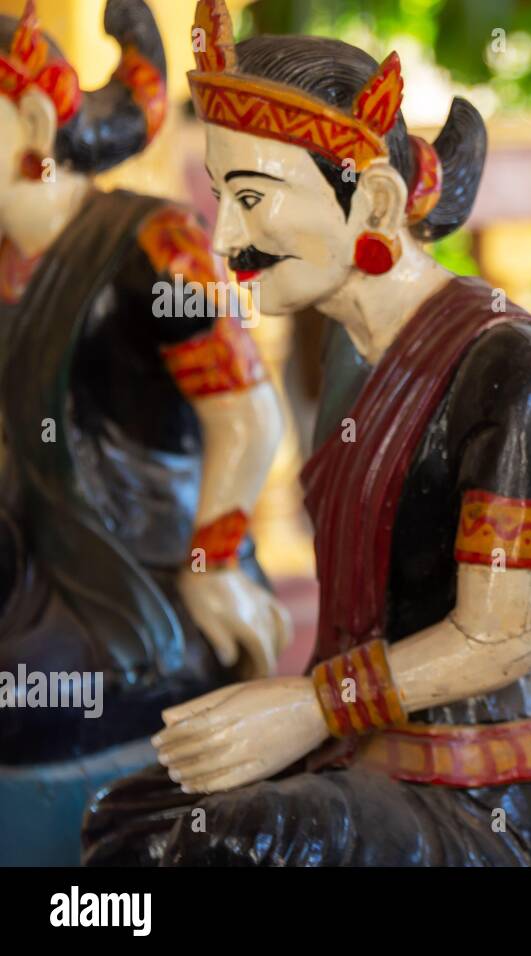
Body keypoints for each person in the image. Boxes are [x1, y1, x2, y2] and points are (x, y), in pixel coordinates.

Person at [82, 0, 531, 867]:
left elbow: (505, 636)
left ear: (376, 199)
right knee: (126, 820)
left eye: (249, 199)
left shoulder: (511, 366)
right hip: (381, 747)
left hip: (517, 791)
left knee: (215, 851)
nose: (225, 238)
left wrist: (308, 709)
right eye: (220, 197)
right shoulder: (351, 357)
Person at [0, 0, 285, 864]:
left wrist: (218, 562)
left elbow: (247, 412)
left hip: (138, 585)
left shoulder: (154, 243)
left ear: (36, 122)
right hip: (30, 552)